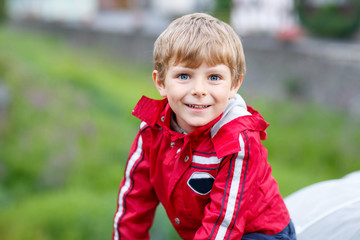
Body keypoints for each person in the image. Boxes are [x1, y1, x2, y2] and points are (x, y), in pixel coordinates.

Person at [112, 13, 296, 240]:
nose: (199, 90)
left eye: (214, 77)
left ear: (234, 85)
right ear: (160, 82)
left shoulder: (238, 141)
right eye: (184, 75)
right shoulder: (151, 130)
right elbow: (134, 199)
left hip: (257, 232)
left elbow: (224, 222)